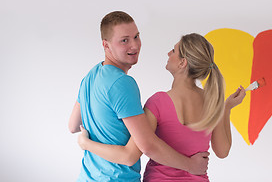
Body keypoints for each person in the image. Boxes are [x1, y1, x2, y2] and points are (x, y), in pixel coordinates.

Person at [77, 33, 247, 181]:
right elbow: (222, 151)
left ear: (183, 63)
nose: (168, 53)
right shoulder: (212, 102)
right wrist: (226, 109)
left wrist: (86, 143)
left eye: (173, 51)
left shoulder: (158, 103)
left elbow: (131, 153)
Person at [68, 12, 209, 182]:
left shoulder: (91, 76)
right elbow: (134, 154)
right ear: (106, 45)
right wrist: (191, 166)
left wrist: (88, 142)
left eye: (136, 36)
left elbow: (73, 126)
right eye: (124, 40)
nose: (134, 45)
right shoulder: (122, 83)